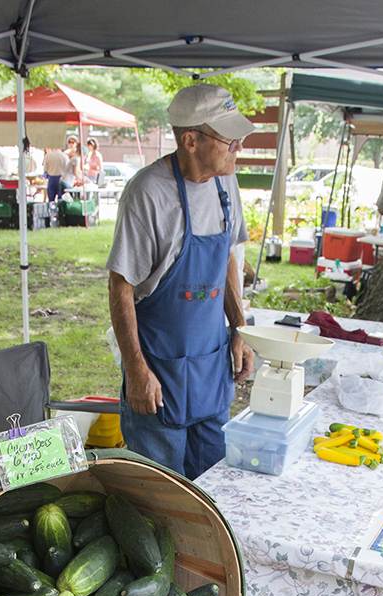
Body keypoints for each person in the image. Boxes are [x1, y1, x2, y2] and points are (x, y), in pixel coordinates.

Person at [107, 83, 255, 478]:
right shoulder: (148, 193)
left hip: (210, 368)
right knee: (162, 496)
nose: (237, 146)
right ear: (191, 140)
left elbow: (225, 257)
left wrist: (240, 328)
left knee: (214, 485)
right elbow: (121, 286)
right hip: (160, 375)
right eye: (228, 139)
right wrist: (136, 370)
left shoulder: (227, 183)